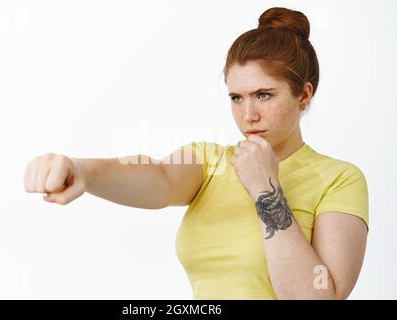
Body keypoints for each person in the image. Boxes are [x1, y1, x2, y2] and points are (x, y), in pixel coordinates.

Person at [24, 7, 369, 300]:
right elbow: (157, 176)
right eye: (237, 97)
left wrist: (266, 190)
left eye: (264, 95)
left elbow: (317, 295)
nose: (248, 114)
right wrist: (82, 171)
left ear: (304, 95)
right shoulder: (210, 161)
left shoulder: (339, 179)